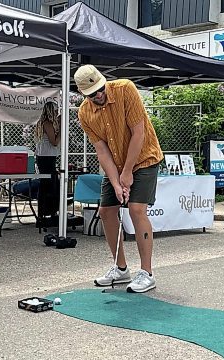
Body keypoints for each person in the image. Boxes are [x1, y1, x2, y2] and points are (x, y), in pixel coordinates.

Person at [74, 64, 163, 293]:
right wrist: (116, 182)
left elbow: (139, 133)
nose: (99, 95)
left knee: (136, 209)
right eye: (92, 94)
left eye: (101, 88)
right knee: (106, 211)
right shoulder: (84, 113)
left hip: (144, 158)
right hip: (116, 163)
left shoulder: (125, 89)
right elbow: (102, 151)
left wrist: (127, 173)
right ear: (84, 94)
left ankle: (147, 273)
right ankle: (121, 268)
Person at [34, 101, 60, 226]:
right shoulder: (47, 123)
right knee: (48, 185)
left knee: (50, 184)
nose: (57, 113)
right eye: (55, 111)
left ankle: (47, 212)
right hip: (46, 157)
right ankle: (46, 212)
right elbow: (54, 141)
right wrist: (61, 131)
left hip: (45, 156)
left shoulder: (43, 123)